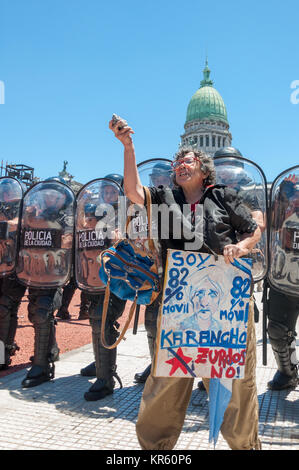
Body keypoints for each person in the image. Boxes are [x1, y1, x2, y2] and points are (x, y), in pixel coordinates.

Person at [110, 116, 262, 450]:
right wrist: (128, 146)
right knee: (166, 383)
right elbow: (132, 191)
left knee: (233, 387)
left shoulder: (225, 198)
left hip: (226, 309)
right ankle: (156, 451)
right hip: (179, 306)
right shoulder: (164, 197)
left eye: (187, 160)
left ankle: (245, 447)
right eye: (177, 160)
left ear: (204, 169)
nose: (180, 164)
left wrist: (242, 246)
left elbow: (254, 229)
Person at [19, 179, 74, 388]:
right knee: (35, 312)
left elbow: (68, 241)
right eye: (47, 194)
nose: (50, 197)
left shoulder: (68, 216)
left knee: (42, 312)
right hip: (34, 270)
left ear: (62, 197)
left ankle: (42, 366)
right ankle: (51, 351)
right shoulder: (34, 213)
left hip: (55, 272)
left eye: (54, 194)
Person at [78, 174, 128, 401]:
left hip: (117, 276)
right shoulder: (95, 212)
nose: (109, 196)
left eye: (113, 192)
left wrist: (123, 236)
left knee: (102, 317)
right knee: (95, 318)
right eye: (106, 192)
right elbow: (81, 229)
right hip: (93, 275)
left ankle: (105, 378)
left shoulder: (130, 213)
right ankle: (101, 363)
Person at [266, 173, 298, 390]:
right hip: (285, 270)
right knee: (277, 330)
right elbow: (275, 227)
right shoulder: (289, 192)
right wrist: (282, 198)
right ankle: (288, 372)